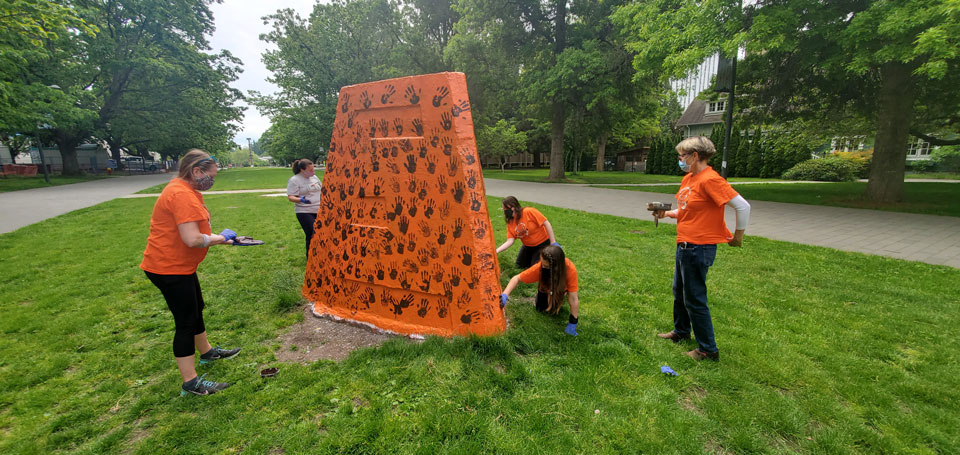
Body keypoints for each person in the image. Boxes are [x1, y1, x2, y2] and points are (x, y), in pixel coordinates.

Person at [140, 149, 241, 396]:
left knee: (197, 309)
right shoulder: (180, 195)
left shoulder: (185, 190)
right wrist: (221, 237)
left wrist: (225, 241)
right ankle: (191, 382)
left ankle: (207, 352)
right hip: (169, 269)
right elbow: (193, 239)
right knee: (185, 322)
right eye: (211, 175)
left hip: (180, 267)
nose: (212, 180)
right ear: (196, 171)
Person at [652, 136, 751, 361]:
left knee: (695, 298)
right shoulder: (689, 179)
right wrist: (666, 214)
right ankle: (682, 332)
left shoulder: (710, 180)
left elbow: (743, 206)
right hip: (685, 245)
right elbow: (687, 210)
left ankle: (708, 349)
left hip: (699, 247)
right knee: (680, 292)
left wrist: (738, 236)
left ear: (695, 156)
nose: (680, 159)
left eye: (682, 156)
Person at [500, 245, 581, 336]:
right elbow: (516, 278)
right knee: (541, 308)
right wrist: (505, 294)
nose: (542, 266)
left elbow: (573, 298)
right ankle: (548, 294)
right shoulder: (540, 267)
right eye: (542, 263)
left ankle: (561, 295)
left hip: (561, 288)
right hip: (546, 288)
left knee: (554, 310)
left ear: (556, 266)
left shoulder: (570, 270)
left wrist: (573, 322)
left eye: (546, 266)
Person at [495, 196, 560, 269]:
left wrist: (553, 242)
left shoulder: (529, 212)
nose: (506, 212)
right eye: (504, 210)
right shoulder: (510, 221)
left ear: (514, 207)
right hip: (528, 246)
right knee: (519, 266)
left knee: (535, 268)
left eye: (506, 209)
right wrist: (496, 251)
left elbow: (546, 223)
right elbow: (510, 240)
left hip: (542, 243)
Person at [287, 158, 322, 259]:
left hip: (318, 209)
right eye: (310, 170)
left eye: (313, 169)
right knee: (312, 231)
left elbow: (322, 189)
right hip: (304, 211)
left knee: (321, 232)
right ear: (302, 170)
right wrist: (301, 200)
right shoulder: (294, 180)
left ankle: (320, 255)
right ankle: (311, 258)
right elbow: (291, 197)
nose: (313, 172)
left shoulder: (314, 177)